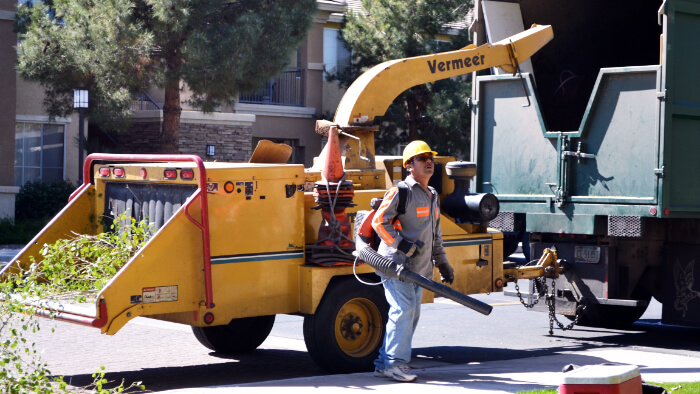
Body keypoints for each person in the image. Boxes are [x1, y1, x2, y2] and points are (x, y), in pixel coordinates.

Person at [371, 140, 454, 383]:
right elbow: (379, 222)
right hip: (396, 267)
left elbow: (435, 235)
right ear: (409, 165)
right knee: (403, 312)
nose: (429, 162)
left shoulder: (432, 195)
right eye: (422, 158)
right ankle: (395, 364)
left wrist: (443, 263)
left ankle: (383, 363)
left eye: (431, 158)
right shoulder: (400, 192)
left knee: (410, 314)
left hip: (419, 271)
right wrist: (401, 244)